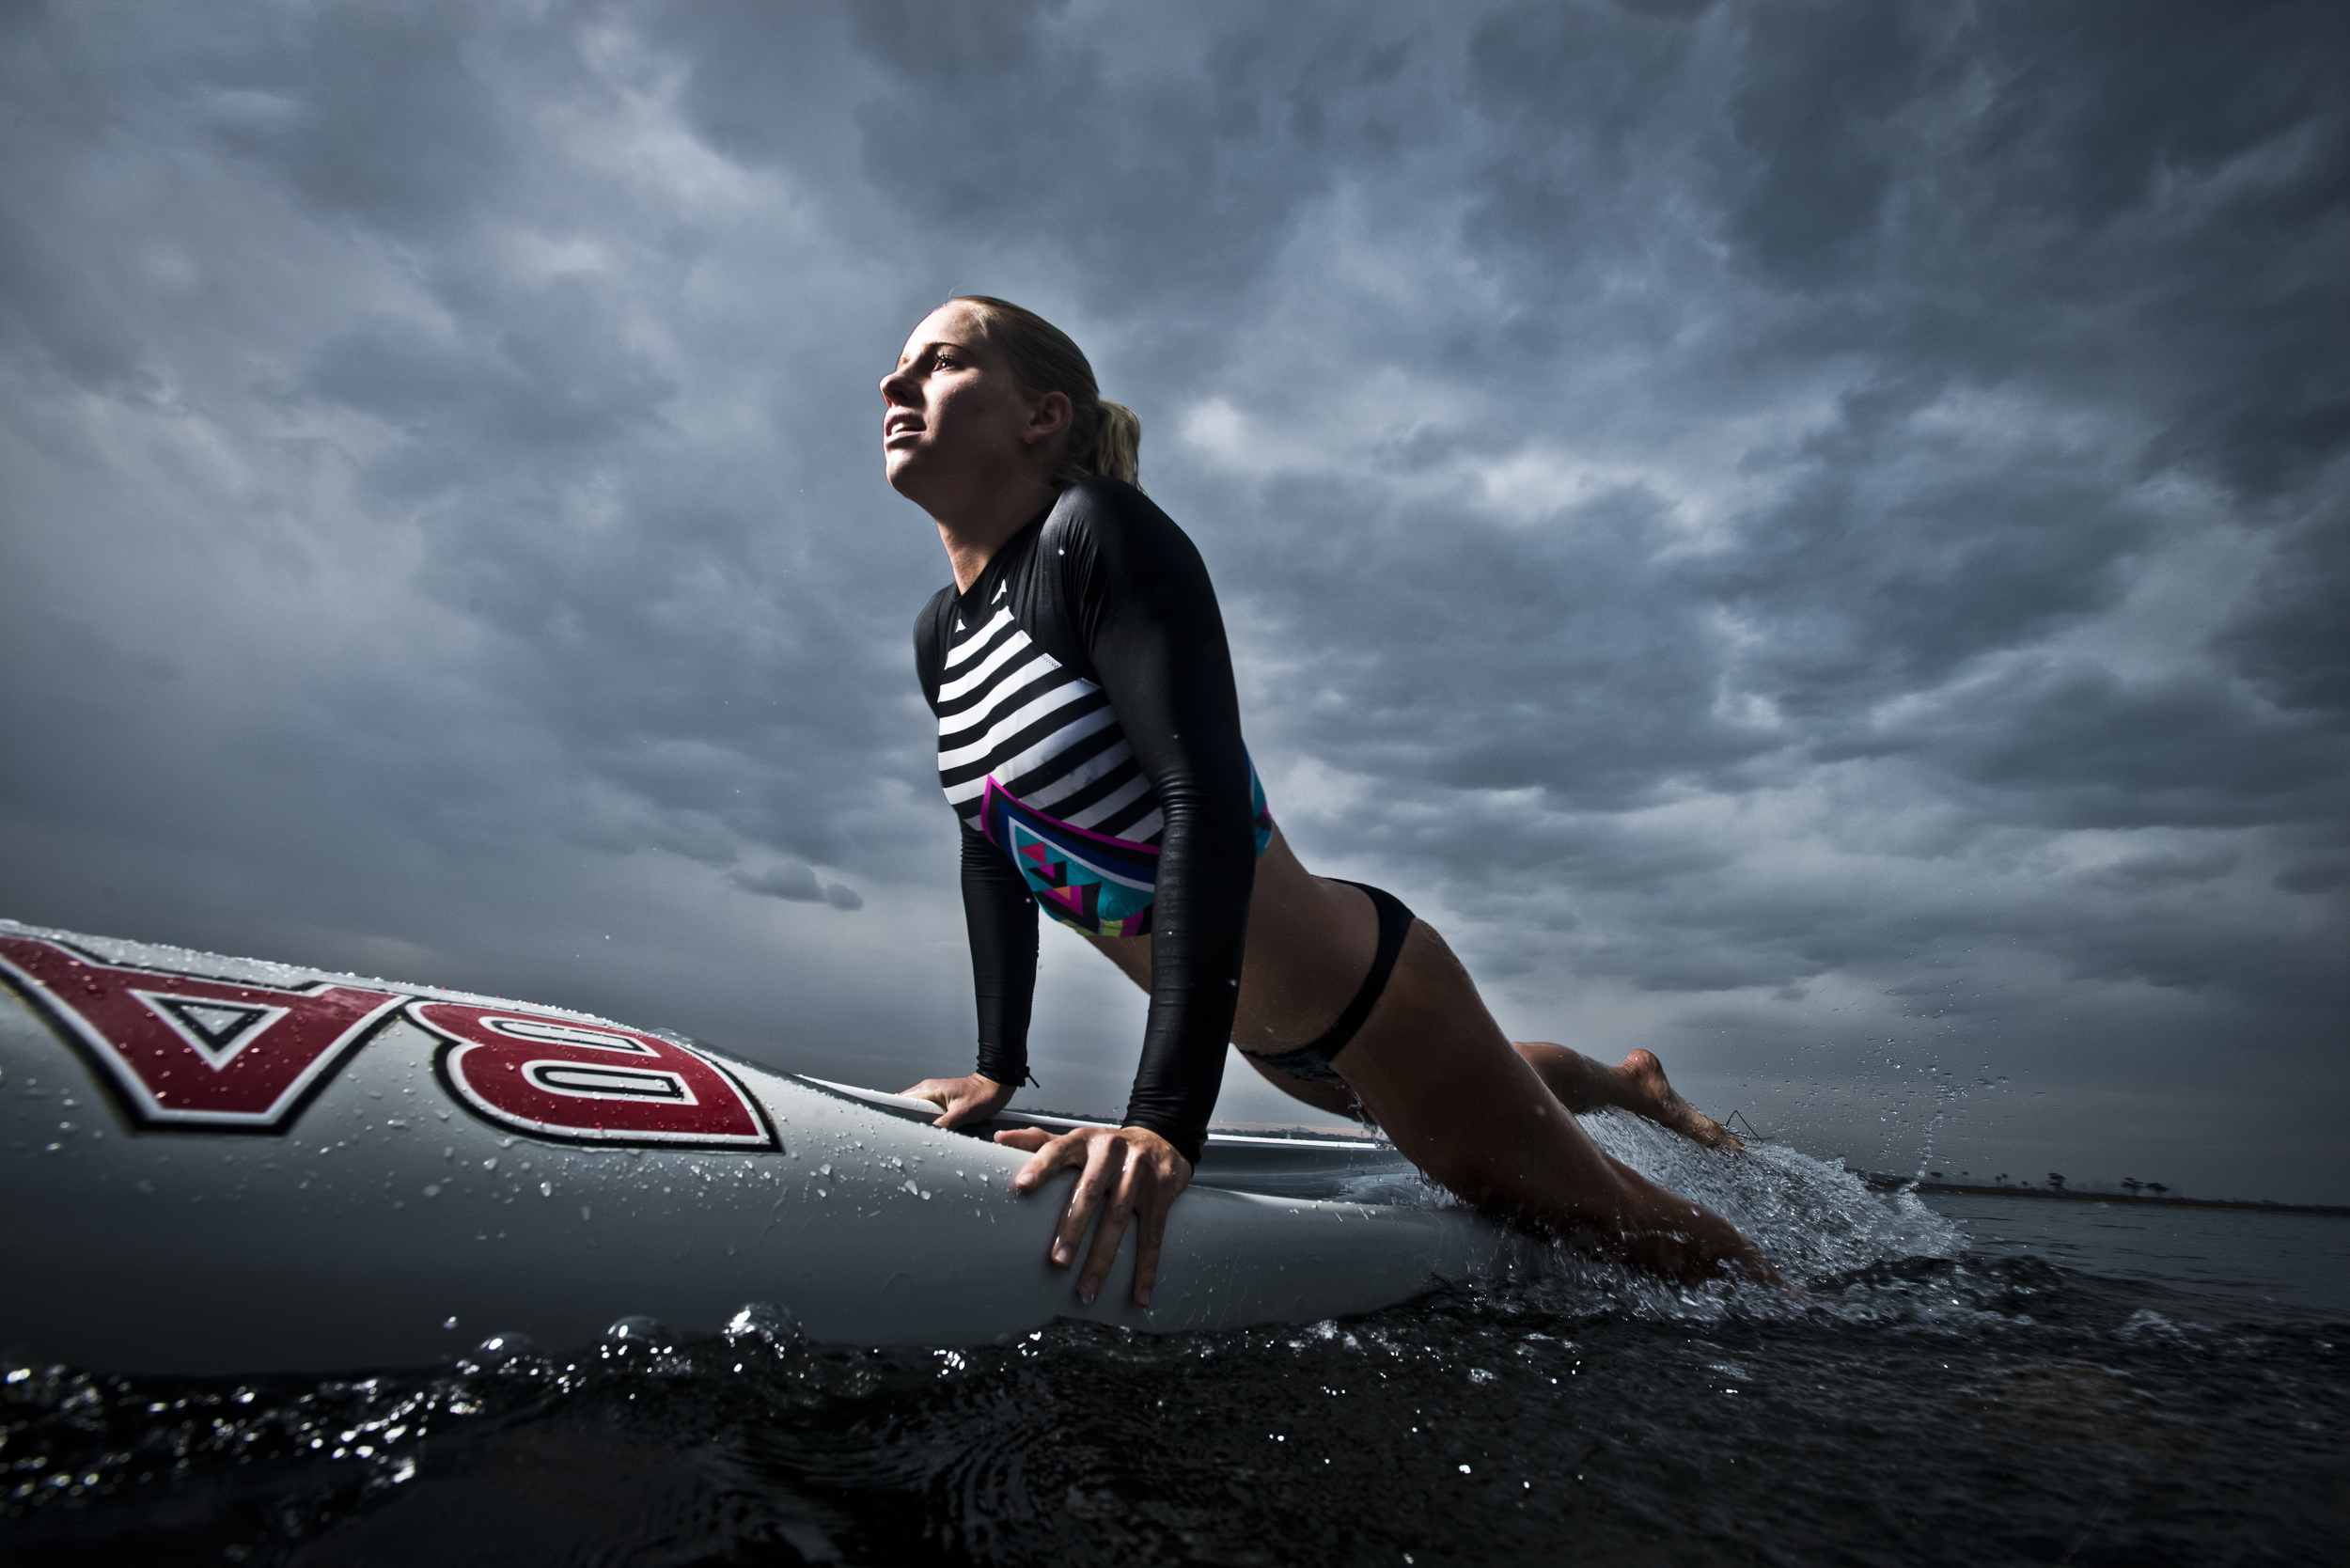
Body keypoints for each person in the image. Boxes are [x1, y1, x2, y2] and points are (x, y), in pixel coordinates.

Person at [885, 296, 1771, 1306]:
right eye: (898, 366)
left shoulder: (1094, 536)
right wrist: (997, 1067)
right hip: (1272, 1042)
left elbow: (1201, 803)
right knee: (1495, 1091)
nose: (893, 384)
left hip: (1370, 1000)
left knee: (1634, 1233)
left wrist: (1165, 1118)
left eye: (940, 363)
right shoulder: (939, 638)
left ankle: (1826, 1331)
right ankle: (1623, 1085)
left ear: (1041, 416)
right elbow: (989, 850)